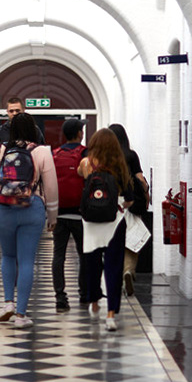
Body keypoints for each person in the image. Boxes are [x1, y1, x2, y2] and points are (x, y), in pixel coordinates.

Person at [0, 113, 58, 329]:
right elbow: (51, 189)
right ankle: (21, 315)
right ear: (33, 130)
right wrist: (52, 216)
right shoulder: (42, 151)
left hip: (5, 208)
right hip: (31, 208)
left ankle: (8, 303)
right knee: (26, 261)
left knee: (8, 256)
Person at [79, 128, 134, 331]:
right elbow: (129, 198)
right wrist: (119, 203)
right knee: (114, 266)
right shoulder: (120, 166)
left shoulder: (87, 163)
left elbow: (80, 180)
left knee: (92, 263)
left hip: (91, 221)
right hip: (115, 220)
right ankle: (111, 314)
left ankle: (93, 301)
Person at [50, 119, 88, 312]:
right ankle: (83, 293)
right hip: (80, 214)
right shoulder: (85, 153)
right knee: (83, 255)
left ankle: (60, 297)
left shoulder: (54, 154)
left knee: (59, 255)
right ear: (79, 133)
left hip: (59, 213)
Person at [108, 124, 150, 296]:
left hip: (111, 203)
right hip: (130, 202)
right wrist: (146, 196)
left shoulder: (105, 156)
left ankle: (116, 276)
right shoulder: (131, 155)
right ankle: (128, 270)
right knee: (133, 239)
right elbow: (141, 180)